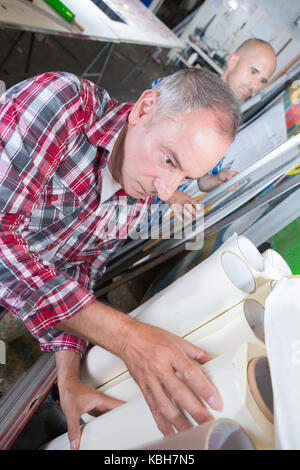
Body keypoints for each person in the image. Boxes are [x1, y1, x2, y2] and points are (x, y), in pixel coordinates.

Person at [0, 68, 240, 449]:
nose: (166, 190)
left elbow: (79, 267)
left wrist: (68, 374)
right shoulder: (60, 105)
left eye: (184, 178)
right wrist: (126, 337)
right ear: (145, 108)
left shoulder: (142, 197)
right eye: (168, 160)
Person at [161, 38, 277, 218]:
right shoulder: (190, 89)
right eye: (253, 71)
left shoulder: (227, 124)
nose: (255, 85)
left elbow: (202, 181)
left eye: (262, 80)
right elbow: (135, 138)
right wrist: (169, 193)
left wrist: (218, 180)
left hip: (148, 211)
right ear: (233, 61)